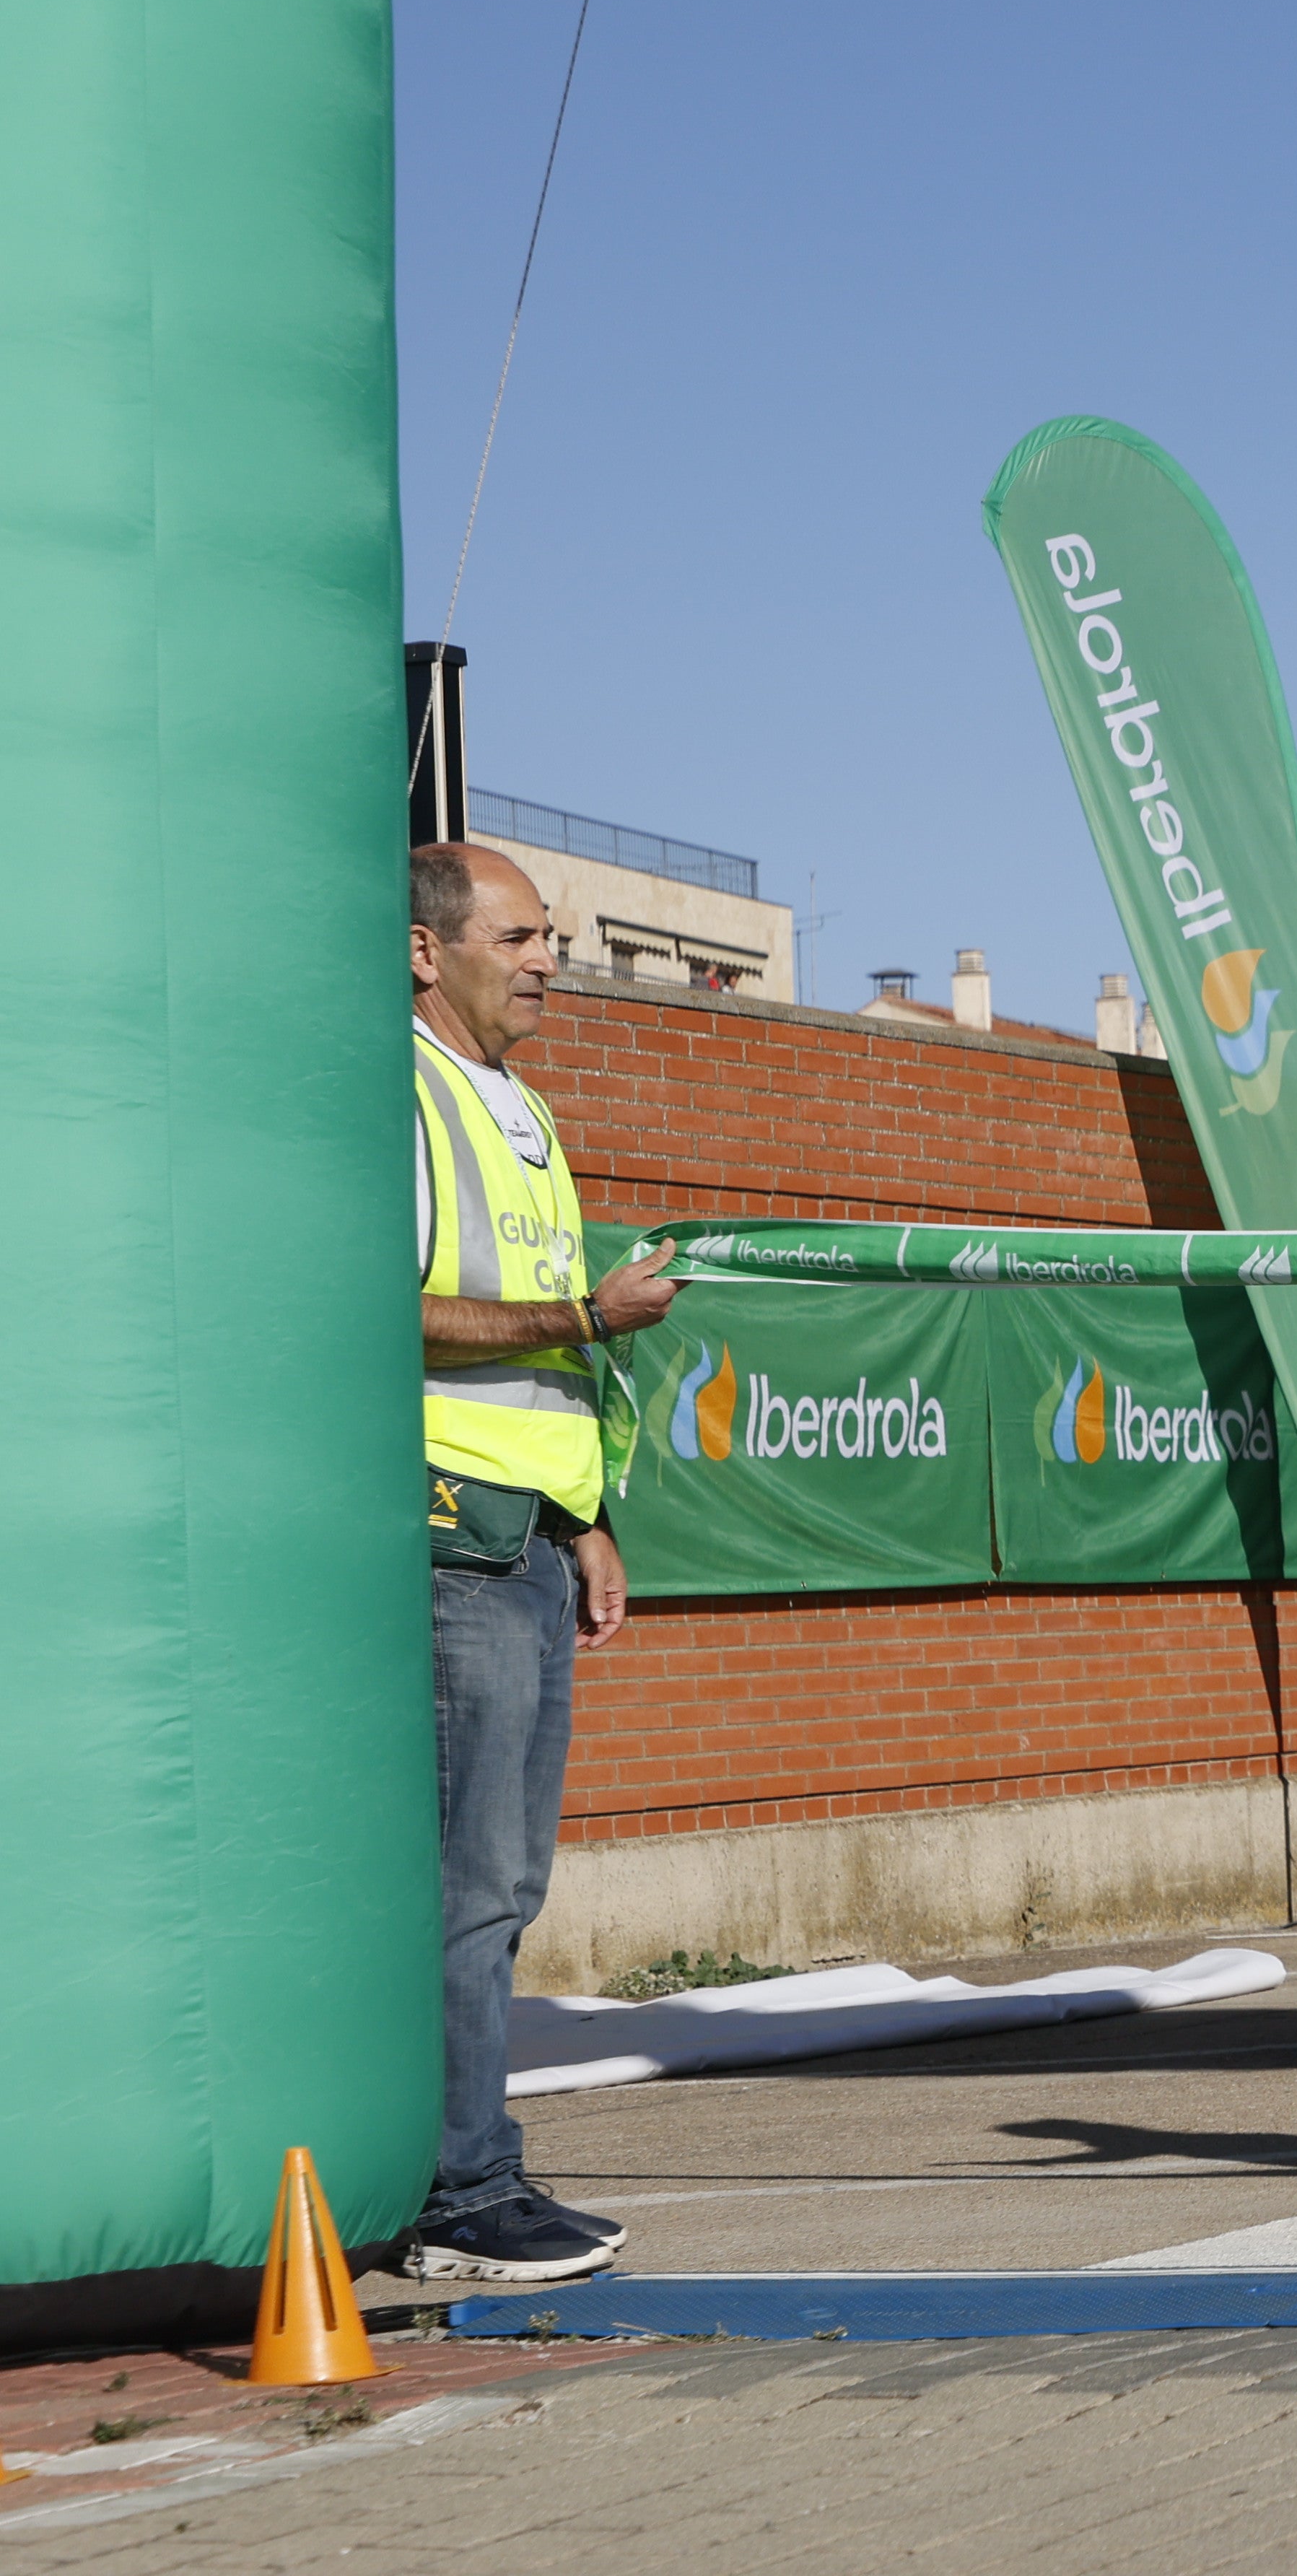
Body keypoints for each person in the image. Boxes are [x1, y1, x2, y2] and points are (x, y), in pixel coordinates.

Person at [403, 842, 686, 2284]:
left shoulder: (524, 1109)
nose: (547, 959)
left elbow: (552, 1359)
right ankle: (459, 2196)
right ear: (425, 951)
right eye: (517, 937)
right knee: (468, 1885)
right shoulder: (399, 1094)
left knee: (506, 1885)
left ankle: (475, 2171)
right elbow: (385, 1307)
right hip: (449, 1532)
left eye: (551, 937)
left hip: (526, 1536)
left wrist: (586, 1522)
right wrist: (588, 1314)